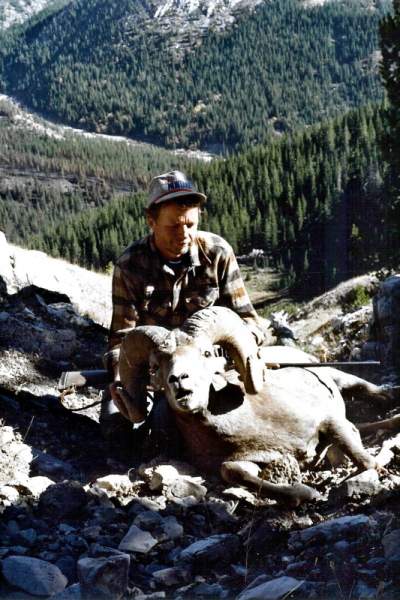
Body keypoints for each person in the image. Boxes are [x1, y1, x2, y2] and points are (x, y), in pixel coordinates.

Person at [100, 170, 264, 455]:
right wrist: (122, 381)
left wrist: (234, 355)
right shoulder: (130, 266)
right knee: (116, 432)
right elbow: (121, 340)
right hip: (158, 373)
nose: (185, 234)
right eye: (174, 226)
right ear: (151, 221)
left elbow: (249, 321)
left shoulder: (218, 253)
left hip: (210, 369)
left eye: (191, 224)